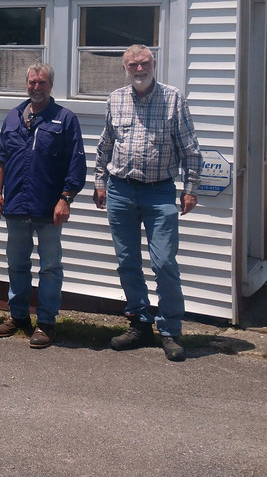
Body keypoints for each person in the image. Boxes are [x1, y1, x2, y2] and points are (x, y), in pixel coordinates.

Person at [93, 44, 201, 362]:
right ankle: (140, 324)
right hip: (120, 191)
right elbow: (106, 144)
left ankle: (170, 331)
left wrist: (190, 189)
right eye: (132, 65)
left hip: (159, 192)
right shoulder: (115, 99)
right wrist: (99, 182)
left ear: (154, 63)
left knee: (164, 263)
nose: (139, 69)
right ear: (125, 68)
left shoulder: (173, 99)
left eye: (143, 63)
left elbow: (190, 149)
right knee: (127, 262)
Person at [0, 63, 86, 348]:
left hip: (48, 207)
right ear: (27, 84)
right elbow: (1, 158)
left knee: (50, 267)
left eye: (42, 82)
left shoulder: (65, 119)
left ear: (50, 85)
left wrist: (65, 199)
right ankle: (18, 316)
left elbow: (76, 163)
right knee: (17, 264)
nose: (36, 87)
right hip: (16, 204)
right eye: (32, 82)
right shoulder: (13, 117)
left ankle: (46, 322)